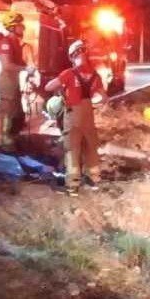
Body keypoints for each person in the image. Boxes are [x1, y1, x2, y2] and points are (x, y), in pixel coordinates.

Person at [44, 40, 105, 196]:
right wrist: (92, 102)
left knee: (72, 148)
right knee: (90, 147)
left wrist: (61, 86)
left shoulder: (69, 73)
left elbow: (48, 87)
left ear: (72, 57)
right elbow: (104, 98)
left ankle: (72, 186)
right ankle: (95, 180)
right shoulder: (95, 75)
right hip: (88, 114)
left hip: (73, 114)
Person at [0, 12, 31, 153]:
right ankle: (6, 144)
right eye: (20, 25)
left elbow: (21, 63)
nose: (23, 28)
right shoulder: (5, 43)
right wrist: (25, 69)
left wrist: (31, 70)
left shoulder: (16, 43)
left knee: (18, 116)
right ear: (12, 27)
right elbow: (7, 65)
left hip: (14, 83)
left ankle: (14, 141)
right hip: (7, 84)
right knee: (8, 115)